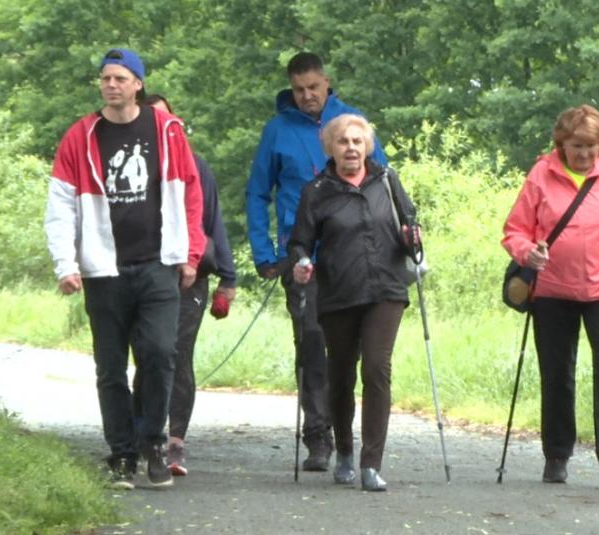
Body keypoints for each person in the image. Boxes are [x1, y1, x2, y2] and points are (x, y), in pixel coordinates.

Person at [44, 48, 205, 490]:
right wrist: (66, 263)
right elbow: (59, 205)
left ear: (138, 84)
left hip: (156, 264)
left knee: (158, 353)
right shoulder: (81, 136)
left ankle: (152, 443)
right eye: (105, 78)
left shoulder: (166, 130)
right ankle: (121, 453)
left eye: (120, 78)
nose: (110, 85)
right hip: (104, 270)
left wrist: (191, 254)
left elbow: (191, 193)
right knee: (110, 366)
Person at [245, 52, 387, 472]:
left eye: (313, 87)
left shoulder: (352, 123)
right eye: (299, 89)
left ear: (327, 82)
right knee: (311, 342)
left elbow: (381, 184)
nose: (307, 96)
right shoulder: (277, 130)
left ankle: (349, 437)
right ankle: (317, 435)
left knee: (355, 352)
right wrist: (264, 252)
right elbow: (257, 193)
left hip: (356, 256)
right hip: (302, 255)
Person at [502, 104, 599, 490]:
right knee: (557, 373)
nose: (585, 154)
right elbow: (514, 231)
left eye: (592, 146)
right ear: (561, 143)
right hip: (553, 290)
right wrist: (529, 253)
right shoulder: (541, 175)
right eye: (577, 145)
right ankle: (557, 455)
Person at [288, 114, 417, 492]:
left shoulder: (387, 181)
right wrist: (300, 262)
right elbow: (299, 241)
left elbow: (409, 224)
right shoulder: (317, 191)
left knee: (377, 369)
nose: (351, 148)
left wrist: (412, 237)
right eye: (343, 141)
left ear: (368, 147)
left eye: (358, 141)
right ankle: (344, 450)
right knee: (341, 374)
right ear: (331, 148)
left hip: (386, 289)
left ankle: (371, 464)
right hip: (339, 292)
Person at [132, 94, 237, 476]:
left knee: (176, 354)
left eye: (164, 117)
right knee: (147, 356)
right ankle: (143, 435)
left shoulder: (196, 165)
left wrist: (228, 278)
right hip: (139, 275)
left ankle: (174, 442)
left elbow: (214, 223)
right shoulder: (130, 167)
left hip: (188, 278)